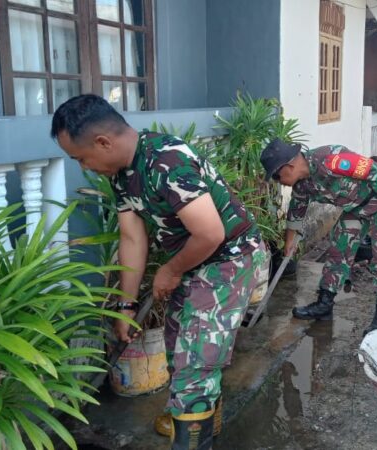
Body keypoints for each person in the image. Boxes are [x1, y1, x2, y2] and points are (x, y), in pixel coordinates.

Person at [51, 95, 266, 449]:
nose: (85, 167)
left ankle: (192, 436)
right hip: (192, 259)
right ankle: (199, 416)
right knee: (178, 345)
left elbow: (210, 232)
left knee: (196, 360)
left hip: (228, 257)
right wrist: (126, 306)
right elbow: (132, 238)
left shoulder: (167, 160)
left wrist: (169, 270)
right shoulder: (122, 175)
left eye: (82, 158)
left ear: (103, 142)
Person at [260, 140, 377, 334]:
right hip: (355, 208)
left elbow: (376, 171)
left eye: (277, 177)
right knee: (339, 250)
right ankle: (324, 305)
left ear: (289, 166)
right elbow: (296, 211)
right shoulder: (301, 185)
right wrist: (289, 242)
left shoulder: (332, 161)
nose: (277, 182)